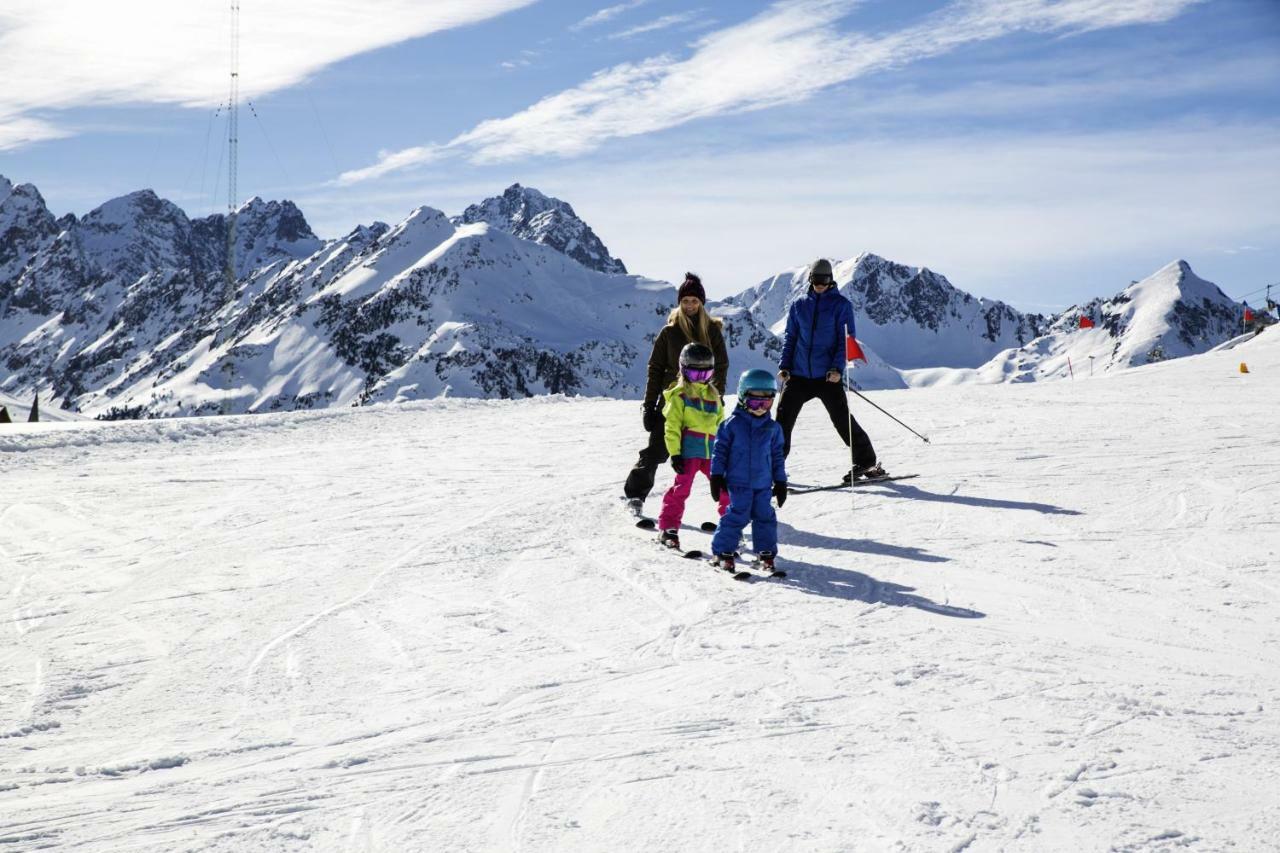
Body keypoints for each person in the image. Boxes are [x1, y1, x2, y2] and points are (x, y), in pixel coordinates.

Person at [624, 273, 729, 515]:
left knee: (708, 456)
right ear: (679, 303)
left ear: (701, 303)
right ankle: (635, 494)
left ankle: (729, 503)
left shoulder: (712, 331)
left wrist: (717, 394)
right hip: (673, 400)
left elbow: (721, 365)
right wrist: (650, 405)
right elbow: (655, 369)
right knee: (658, 450)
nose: (690, 306)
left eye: (694, 301)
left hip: (703, 401)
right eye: (685, 301)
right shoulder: (669, 332)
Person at [775, 258, 885, 483]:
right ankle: (773, 466)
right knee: (782, 420)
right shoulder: (799, 305)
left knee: (841, 419)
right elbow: (791, 338)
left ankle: (866, 461)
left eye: (824, 280)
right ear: (810, 280)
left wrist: (836, 368)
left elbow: (844, 340)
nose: (820, 284)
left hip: (827, 376)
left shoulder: (840, 305)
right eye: (816, 280)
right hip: (799, 375)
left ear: (831, 280)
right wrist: (785, 365)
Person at [708, 369, 788, 574]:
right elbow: (720, 452)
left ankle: (766, 554)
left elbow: (777, 457)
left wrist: (780, 482)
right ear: (743, 398)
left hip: (763, 484)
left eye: (766, 402)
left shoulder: (773, 428)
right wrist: (716, 476)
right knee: (737, 516)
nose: (761, 408)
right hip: (738, 483)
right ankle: (723, 552)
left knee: (765, 518)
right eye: (755, 402)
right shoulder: (731, 425)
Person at [655, 343, 731, 550]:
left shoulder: (714, 396)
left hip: (712, 454)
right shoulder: (679, 395)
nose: (700, 379)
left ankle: (730, 529)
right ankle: (668, 527)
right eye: (694, 374)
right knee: (681, 490)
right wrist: (675, 454)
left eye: (704, 374)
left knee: (725, 489)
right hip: (689, 452)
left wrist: (725, 453)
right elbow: (672, 427)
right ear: (683, 370)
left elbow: (721, 427)